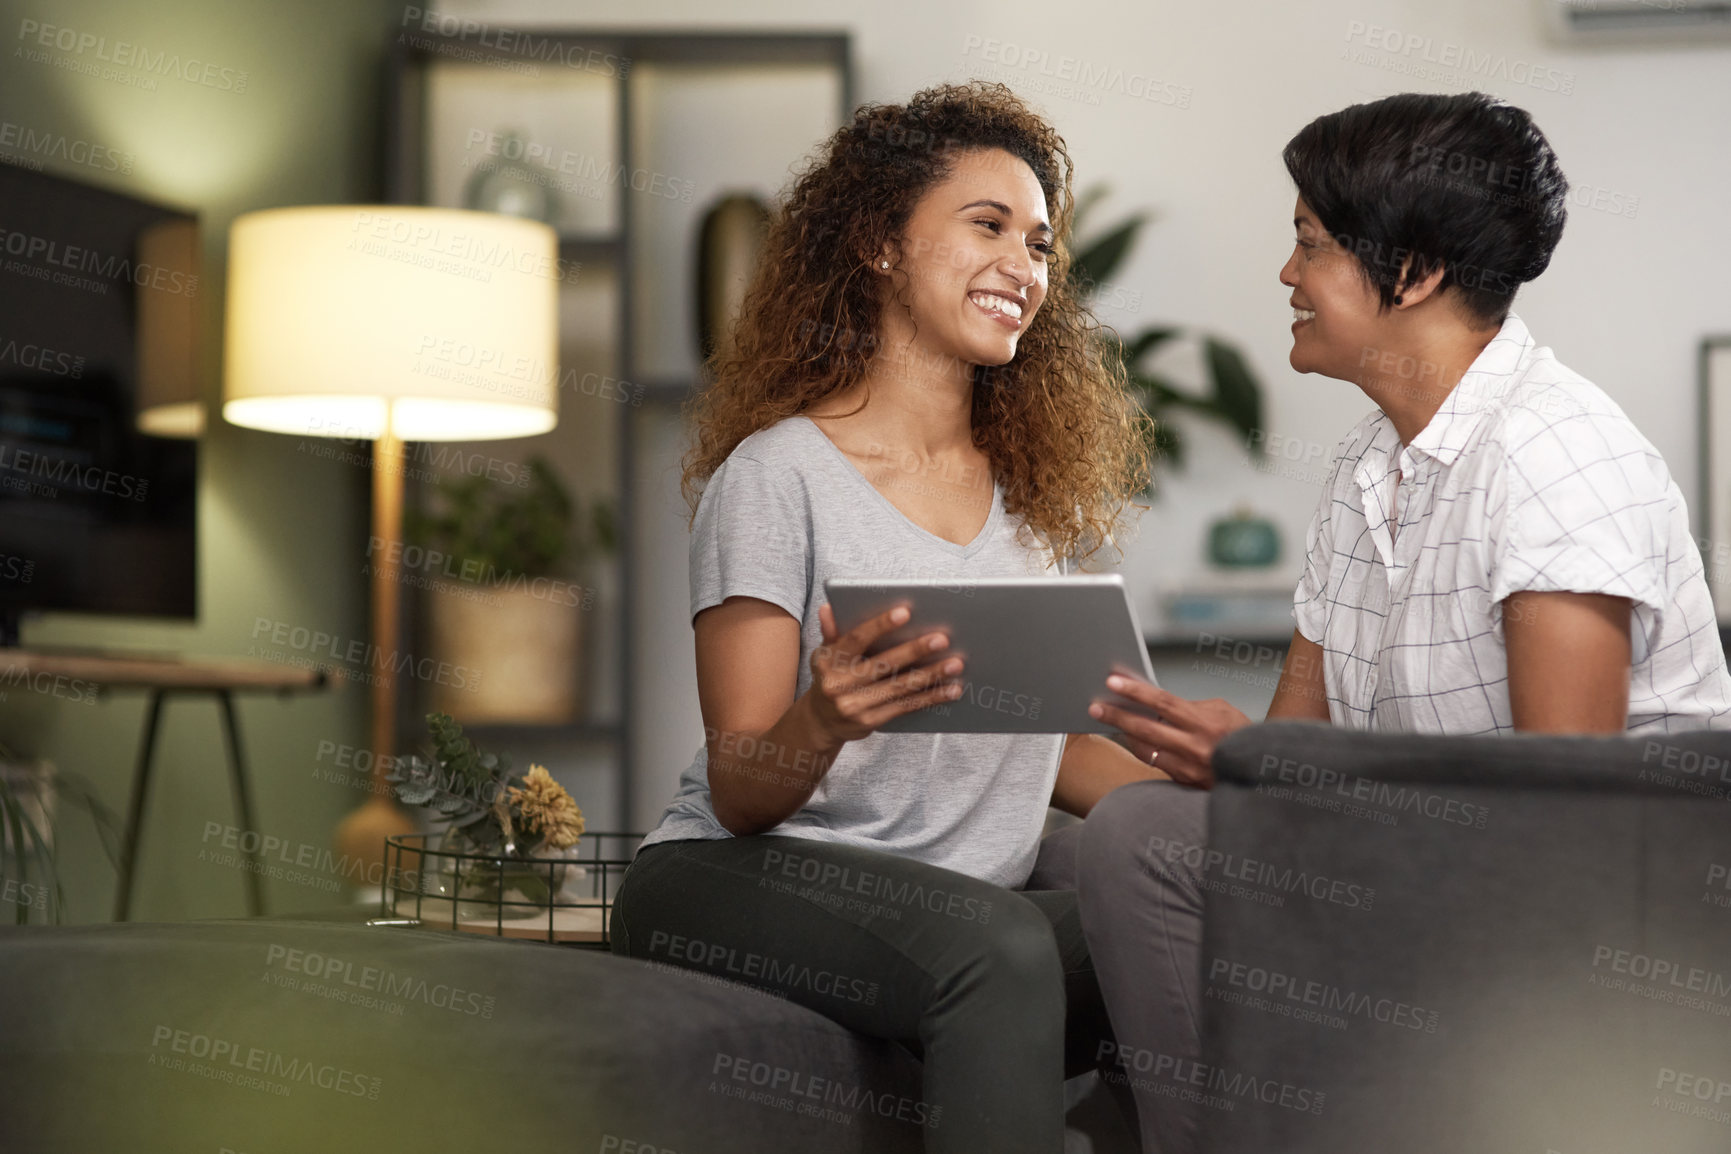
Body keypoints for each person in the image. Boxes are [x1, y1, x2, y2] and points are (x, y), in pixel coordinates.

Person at [1075, 90, 1731, 1154]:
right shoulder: (1366, 466)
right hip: (1440, 866)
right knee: (1136, 835)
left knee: (1146, 845)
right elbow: (1289, 756)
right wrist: (1193, 751)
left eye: (1310, 245)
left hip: (1599, 907)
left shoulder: (1553, 455)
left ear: (1414, 272)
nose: (1286, 276)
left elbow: (1570, 808)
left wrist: (1262, 760)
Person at [609, 81, 1163, 1153]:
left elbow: (1045, 749)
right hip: (727, 875)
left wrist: (1220, 811)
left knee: (1169, 907)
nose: (1026, 267)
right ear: (878, 242)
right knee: (996, 948)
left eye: (1041, 243)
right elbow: (740, 782)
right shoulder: (777, 478)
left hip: (939, 903)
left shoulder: (1028, 506)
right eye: (988, 225)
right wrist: (825, 716)